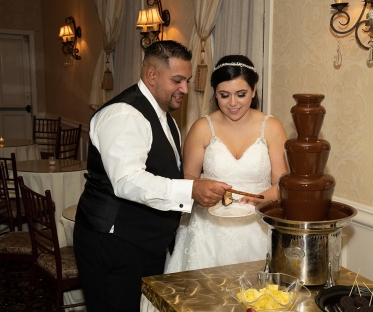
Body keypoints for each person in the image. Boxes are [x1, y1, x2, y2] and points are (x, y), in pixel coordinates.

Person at [73, 41, 231, 312]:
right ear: (152, 75)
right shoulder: (124, 114)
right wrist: (190, 190)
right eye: (177, 80)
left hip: (144, 245)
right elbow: (127, 181)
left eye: (187, 80)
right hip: (113, 244)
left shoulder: (167, 119)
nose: (185, 89)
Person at [164, 55, 289, 273]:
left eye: (241, 94)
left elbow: (282, 182)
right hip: (208, 231)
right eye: (224, 95)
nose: (232, 103)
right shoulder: (202, 128)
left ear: (254, 90)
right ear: (215, 94)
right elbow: (188, 178)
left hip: (257, 227)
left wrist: (258, 198)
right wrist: (203, 189)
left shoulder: (271, 127)